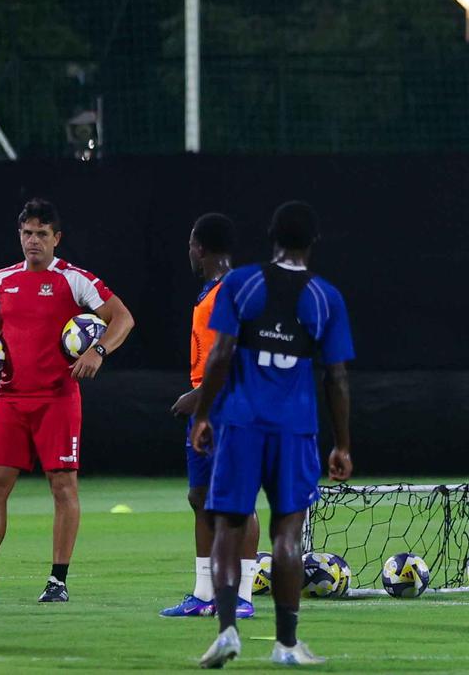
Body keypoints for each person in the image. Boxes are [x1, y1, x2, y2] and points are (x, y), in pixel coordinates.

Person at [0, 198, 134, 604]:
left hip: (57, 398)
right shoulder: (3, 281)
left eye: (41, 234)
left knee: (63, 486)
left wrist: (98, 351)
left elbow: (123, 318)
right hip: (10, 397)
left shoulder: (74, 279)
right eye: (27, 233)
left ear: (56, 238)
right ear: (20, 235)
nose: (33, 240)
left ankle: (57, 581)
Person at [192, 201, 354, 668]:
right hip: (294, 428)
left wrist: (203, 415)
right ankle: (286, 643)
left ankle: (227, 630)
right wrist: (342, 444)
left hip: (241, 422)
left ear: (271, 236)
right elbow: (336, 377)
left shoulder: (241, 283)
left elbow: (220, 355)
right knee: (287, 531)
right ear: (314, 241)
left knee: (229, 526)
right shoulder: (325, 296)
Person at [161, 213, 261, 619]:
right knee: (200, 497)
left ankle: (243, 596)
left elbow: (240, 357)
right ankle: (204, 593)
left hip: (232, 408)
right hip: (207, 411)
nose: (188, 251)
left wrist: (199, 395)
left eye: (190, 244)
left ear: (199, 248)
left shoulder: (231, 291)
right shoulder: (212, 291)